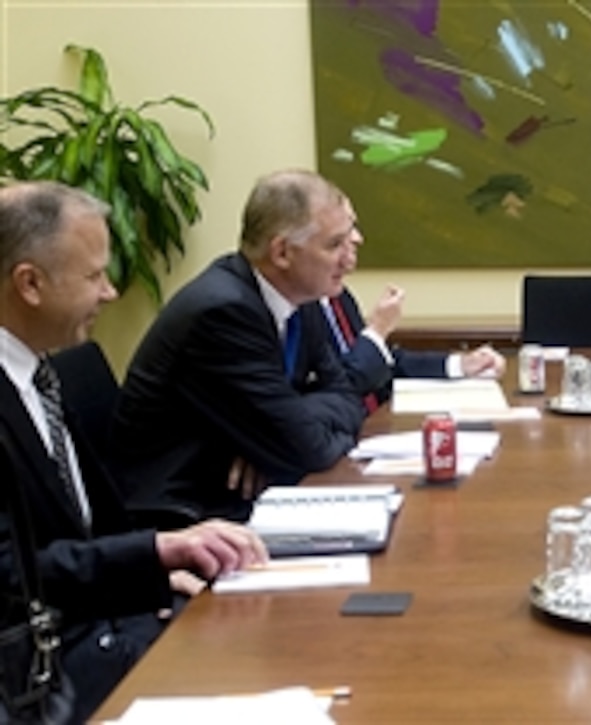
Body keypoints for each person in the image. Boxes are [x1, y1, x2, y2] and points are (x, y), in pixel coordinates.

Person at [0, 181, 267, 722]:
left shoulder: (48, 371)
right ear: (30, 284)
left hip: (104, 623)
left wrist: (145, 568)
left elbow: (83, 530)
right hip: (46, 675)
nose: (111, 292)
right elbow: (8, 577)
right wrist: (156, 552)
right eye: (95, 275)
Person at [112, 169, 366, 523]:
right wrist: (281, 439)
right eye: (334, 244)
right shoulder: (223, 312)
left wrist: (272, 439)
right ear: (282, 252)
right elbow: (311, 450)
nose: (351, 254)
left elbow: (348, 395)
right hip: (185, 511)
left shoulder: (300, 298)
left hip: (242, 493)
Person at [312, 199, 505, 405]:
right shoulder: (299, 310)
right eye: (342, 234)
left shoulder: (338, 296)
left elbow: (381, 364)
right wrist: (378, 330)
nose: (358, 238)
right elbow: (341, 386)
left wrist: (462, 365)